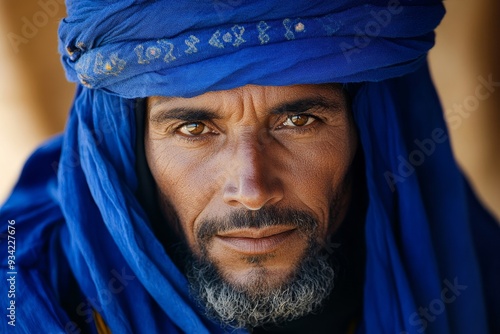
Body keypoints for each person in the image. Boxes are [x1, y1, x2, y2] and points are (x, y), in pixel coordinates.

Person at [1, 1, 498, 333]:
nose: (253, 189)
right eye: (194, 130)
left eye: (299, 120)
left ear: (369, 133)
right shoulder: (26, 305)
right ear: (126, 149)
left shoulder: (476, 280)